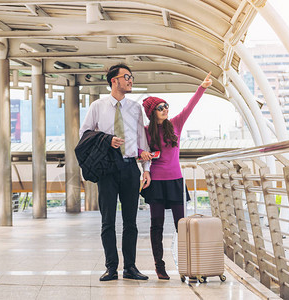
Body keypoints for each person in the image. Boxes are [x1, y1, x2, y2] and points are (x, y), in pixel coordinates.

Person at [79, 64, 152, 281]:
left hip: (130, 166)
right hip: (107, 168)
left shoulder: (134, 108)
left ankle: (130, 267)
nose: (130, 80)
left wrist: (146, 170)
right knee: (107, 220)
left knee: (131, 221)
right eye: (126, 77)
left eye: (131, 77)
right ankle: (111, 267)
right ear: (114, 81)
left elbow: (142, 139)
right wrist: (106, 139)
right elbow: (85, 135)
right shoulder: (98, 106)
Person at [140, 72, 212, 280]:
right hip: (156, 182)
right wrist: (141, 154)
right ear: (153, 112)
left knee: (183, 226)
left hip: (176, 182)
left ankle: (189, 266)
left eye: (166, 106)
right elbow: (137, 150)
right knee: (157, 226)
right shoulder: (146, 131)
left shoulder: (176, 124)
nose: (165, 110)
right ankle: (159, 266)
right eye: (160, 108)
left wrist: (203, 87)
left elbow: (190, 106)